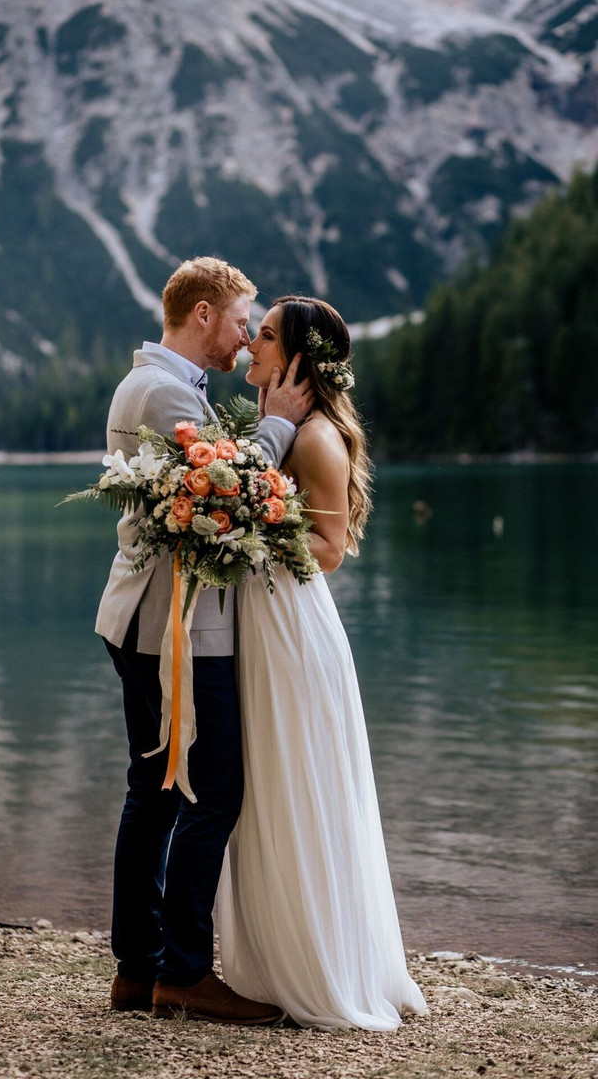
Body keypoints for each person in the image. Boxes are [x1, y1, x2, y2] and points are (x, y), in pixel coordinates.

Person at [95, 258, 313, 1024]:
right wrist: (279, 425)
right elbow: (229, 487)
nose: (247, 336)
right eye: (240, 319)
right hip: (173, 631)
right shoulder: (158, 391)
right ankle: (181, 971)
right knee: (210, 792)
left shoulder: (161, 385)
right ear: (202, 316)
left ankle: (140, 969)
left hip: (154, 621)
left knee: (154, 794)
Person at [215, 296, 427, 1030]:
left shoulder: (316, 440)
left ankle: (318, 966)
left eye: (266, 336)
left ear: (298, 358)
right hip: (269, 618)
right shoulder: (288, 431)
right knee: (269, 788)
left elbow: (330, 552)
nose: (251, 345)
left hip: (291, 630)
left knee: (293, 783)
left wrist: (247, 518)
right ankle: (278, 958)